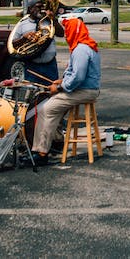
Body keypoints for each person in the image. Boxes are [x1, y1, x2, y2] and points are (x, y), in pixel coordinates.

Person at [29, 17, 101, 164]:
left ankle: (41, 152)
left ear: (74, 31)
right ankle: (56, 141)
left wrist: (60, 87)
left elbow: (78, 78)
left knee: (46, 109)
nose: (66, 35)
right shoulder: (86, 45)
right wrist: (61, 81)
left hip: (84, 91)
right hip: (86, 89)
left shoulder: (81, 50)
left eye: (68, 31)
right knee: (54, 106)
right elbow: (79, 75)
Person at [10, 0, 62, 86]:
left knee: (52, 93)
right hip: (32, 65)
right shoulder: (23, 24)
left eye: (42, 7)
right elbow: (13, 44)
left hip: (50, 65)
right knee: (32, 93)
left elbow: (61, 33)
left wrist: (54, 19)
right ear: (30, 9)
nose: (41, 9)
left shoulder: (49, 22)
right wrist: (24, 38)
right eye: (38, 7)